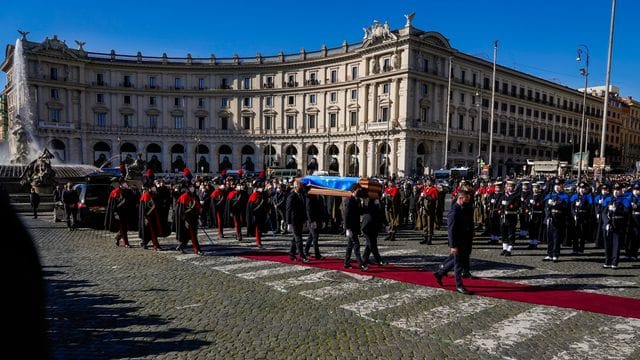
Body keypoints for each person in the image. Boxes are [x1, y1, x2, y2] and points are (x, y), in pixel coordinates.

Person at [433, 189, 474, 295]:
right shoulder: (454, 211)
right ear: (460, 199)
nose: (468, 202)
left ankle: (440, 273)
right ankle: (459, 285)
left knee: (456, 260)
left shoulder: (464, 208)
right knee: (458, 264)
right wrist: (453, 246)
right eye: (466, 199)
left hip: (465, 240)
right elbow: (451, 230)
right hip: (457, 241)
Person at [602, 183, 630, 269]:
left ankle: (614, 262)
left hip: (618, 224)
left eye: (618, 190)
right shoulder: (608, 199)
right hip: (608, 225)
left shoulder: (625, 200)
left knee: (616, 245)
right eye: (614, 190)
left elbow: (626, 212)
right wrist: (606, 223)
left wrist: (617, 210)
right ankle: (607, 261)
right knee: (607, 244)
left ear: (621, 191)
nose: (616, 192)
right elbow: (603, 212)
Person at [543, 179, 570, 262]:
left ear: (562, 187)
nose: (557, 187)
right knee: (550, 237)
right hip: (550, 218)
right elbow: (546, 208)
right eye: (556, 186)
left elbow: (565, 206)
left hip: (559, 218)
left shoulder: (564, 196)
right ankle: (549, 254)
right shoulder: (550, 195)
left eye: (559, 186)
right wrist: (547, 217)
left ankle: (555, 254)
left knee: (556, 237)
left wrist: (557, 204)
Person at [343, 183, 367, 271]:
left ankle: (346, 262)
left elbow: (360, 212)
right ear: (354, 190)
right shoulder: (349, 200)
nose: (360, 191)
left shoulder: (357, 200)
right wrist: (347, 228)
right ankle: (361, 264)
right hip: (351, 227)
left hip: (355, 226)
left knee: (350, 245)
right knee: (356, 245)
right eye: (358, 190)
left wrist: (362, 203)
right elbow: (346, 215)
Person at [175, 184, 203, 255]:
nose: (192, 188)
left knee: (188, 235)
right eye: (191, 187)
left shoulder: (194, 196)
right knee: (193, 235)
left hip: (194, 218)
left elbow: (197, 207)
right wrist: (185, 220)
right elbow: (181, 211)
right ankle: (197, 249)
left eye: (193, 187)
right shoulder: (184, 196)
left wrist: (199, 216)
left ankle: (181, 246)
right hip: (188, 219)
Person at [286, 179, 309, 263]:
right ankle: (302, 256)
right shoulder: (291, 196)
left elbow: (304, 208)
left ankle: (292, 254)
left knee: (295, 239)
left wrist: (305, 219)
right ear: (295, 186)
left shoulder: (301, 195)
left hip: (300, 220)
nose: (301, 187)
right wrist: (288, 222)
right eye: (299, 185)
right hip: (294, 220)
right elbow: (288, 209)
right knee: (299, 239)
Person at [362, 195, 387, 267]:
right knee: (372, 244)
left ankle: (365, 259)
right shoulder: (368, 200)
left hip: (375, 226)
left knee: (370, 244)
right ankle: (379, 260)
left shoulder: (380, 202)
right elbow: (365, 209)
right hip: (367, 225)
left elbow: (382, 214)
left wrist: (386, 224)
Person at [138, 186, 163, 251]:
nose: (154, 188)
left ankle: (144, 243)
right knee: (152, 231)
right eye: (153, 187)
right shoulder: (146, 195)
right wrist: (145, 218)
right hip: (148, 216)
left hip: (154, 215)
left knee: (149, 231)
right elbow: (145, 208)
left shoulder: (154, 194)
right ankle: (156, 245)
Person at [304, 189, 326, 260]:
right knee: (315, 238)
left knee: (311, 237)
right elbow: (308, 210)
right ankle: (317, 255)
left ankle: (306, 251)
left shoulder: (320, 197)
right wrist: (311, 221)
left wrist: (323, 220)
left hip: (318, 219)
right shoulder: (310, 197)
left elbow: (322, 209)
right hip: (312, 220)